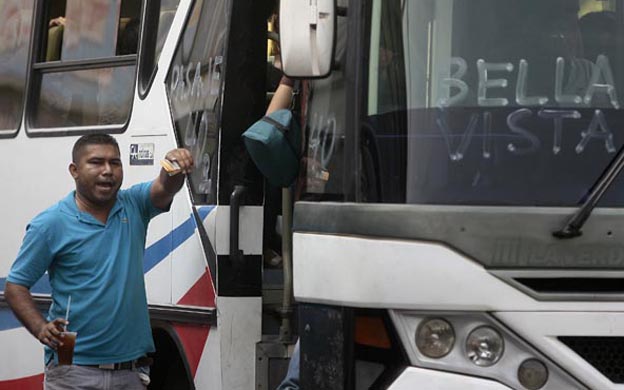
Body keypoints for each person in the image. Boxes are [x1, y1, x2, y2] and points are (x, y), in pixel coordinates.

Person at [4, 134, 193, 389]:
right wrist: (40, 328)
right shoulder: (50, 224)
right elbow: (16, 286)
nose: (107, 171)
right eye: (96, 162)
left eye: (115, 163)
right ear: (75, 171)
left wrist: (174, 166)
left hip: (130, 372)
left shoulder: (134, 204)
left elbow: (165, 186)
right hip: (72, 371)